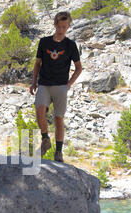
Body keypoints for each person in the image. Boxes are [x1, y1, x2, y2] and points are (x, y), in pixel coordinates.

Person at [29, 11, 82, 163]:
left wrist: (69, 84)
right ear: (55, 25)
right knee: (39, 109)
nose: (61, 30)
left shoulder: (70, 45)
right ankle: (45, 139)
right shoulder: (44, 42)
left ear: (68, 26)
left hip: (61, 85)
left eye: (64, 27)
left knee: (59, 119)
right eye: (59, 26)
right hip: (44, 83)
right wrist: (33, 82)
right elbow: (37, 63)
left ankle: (58, 152)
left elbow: (79, 68)